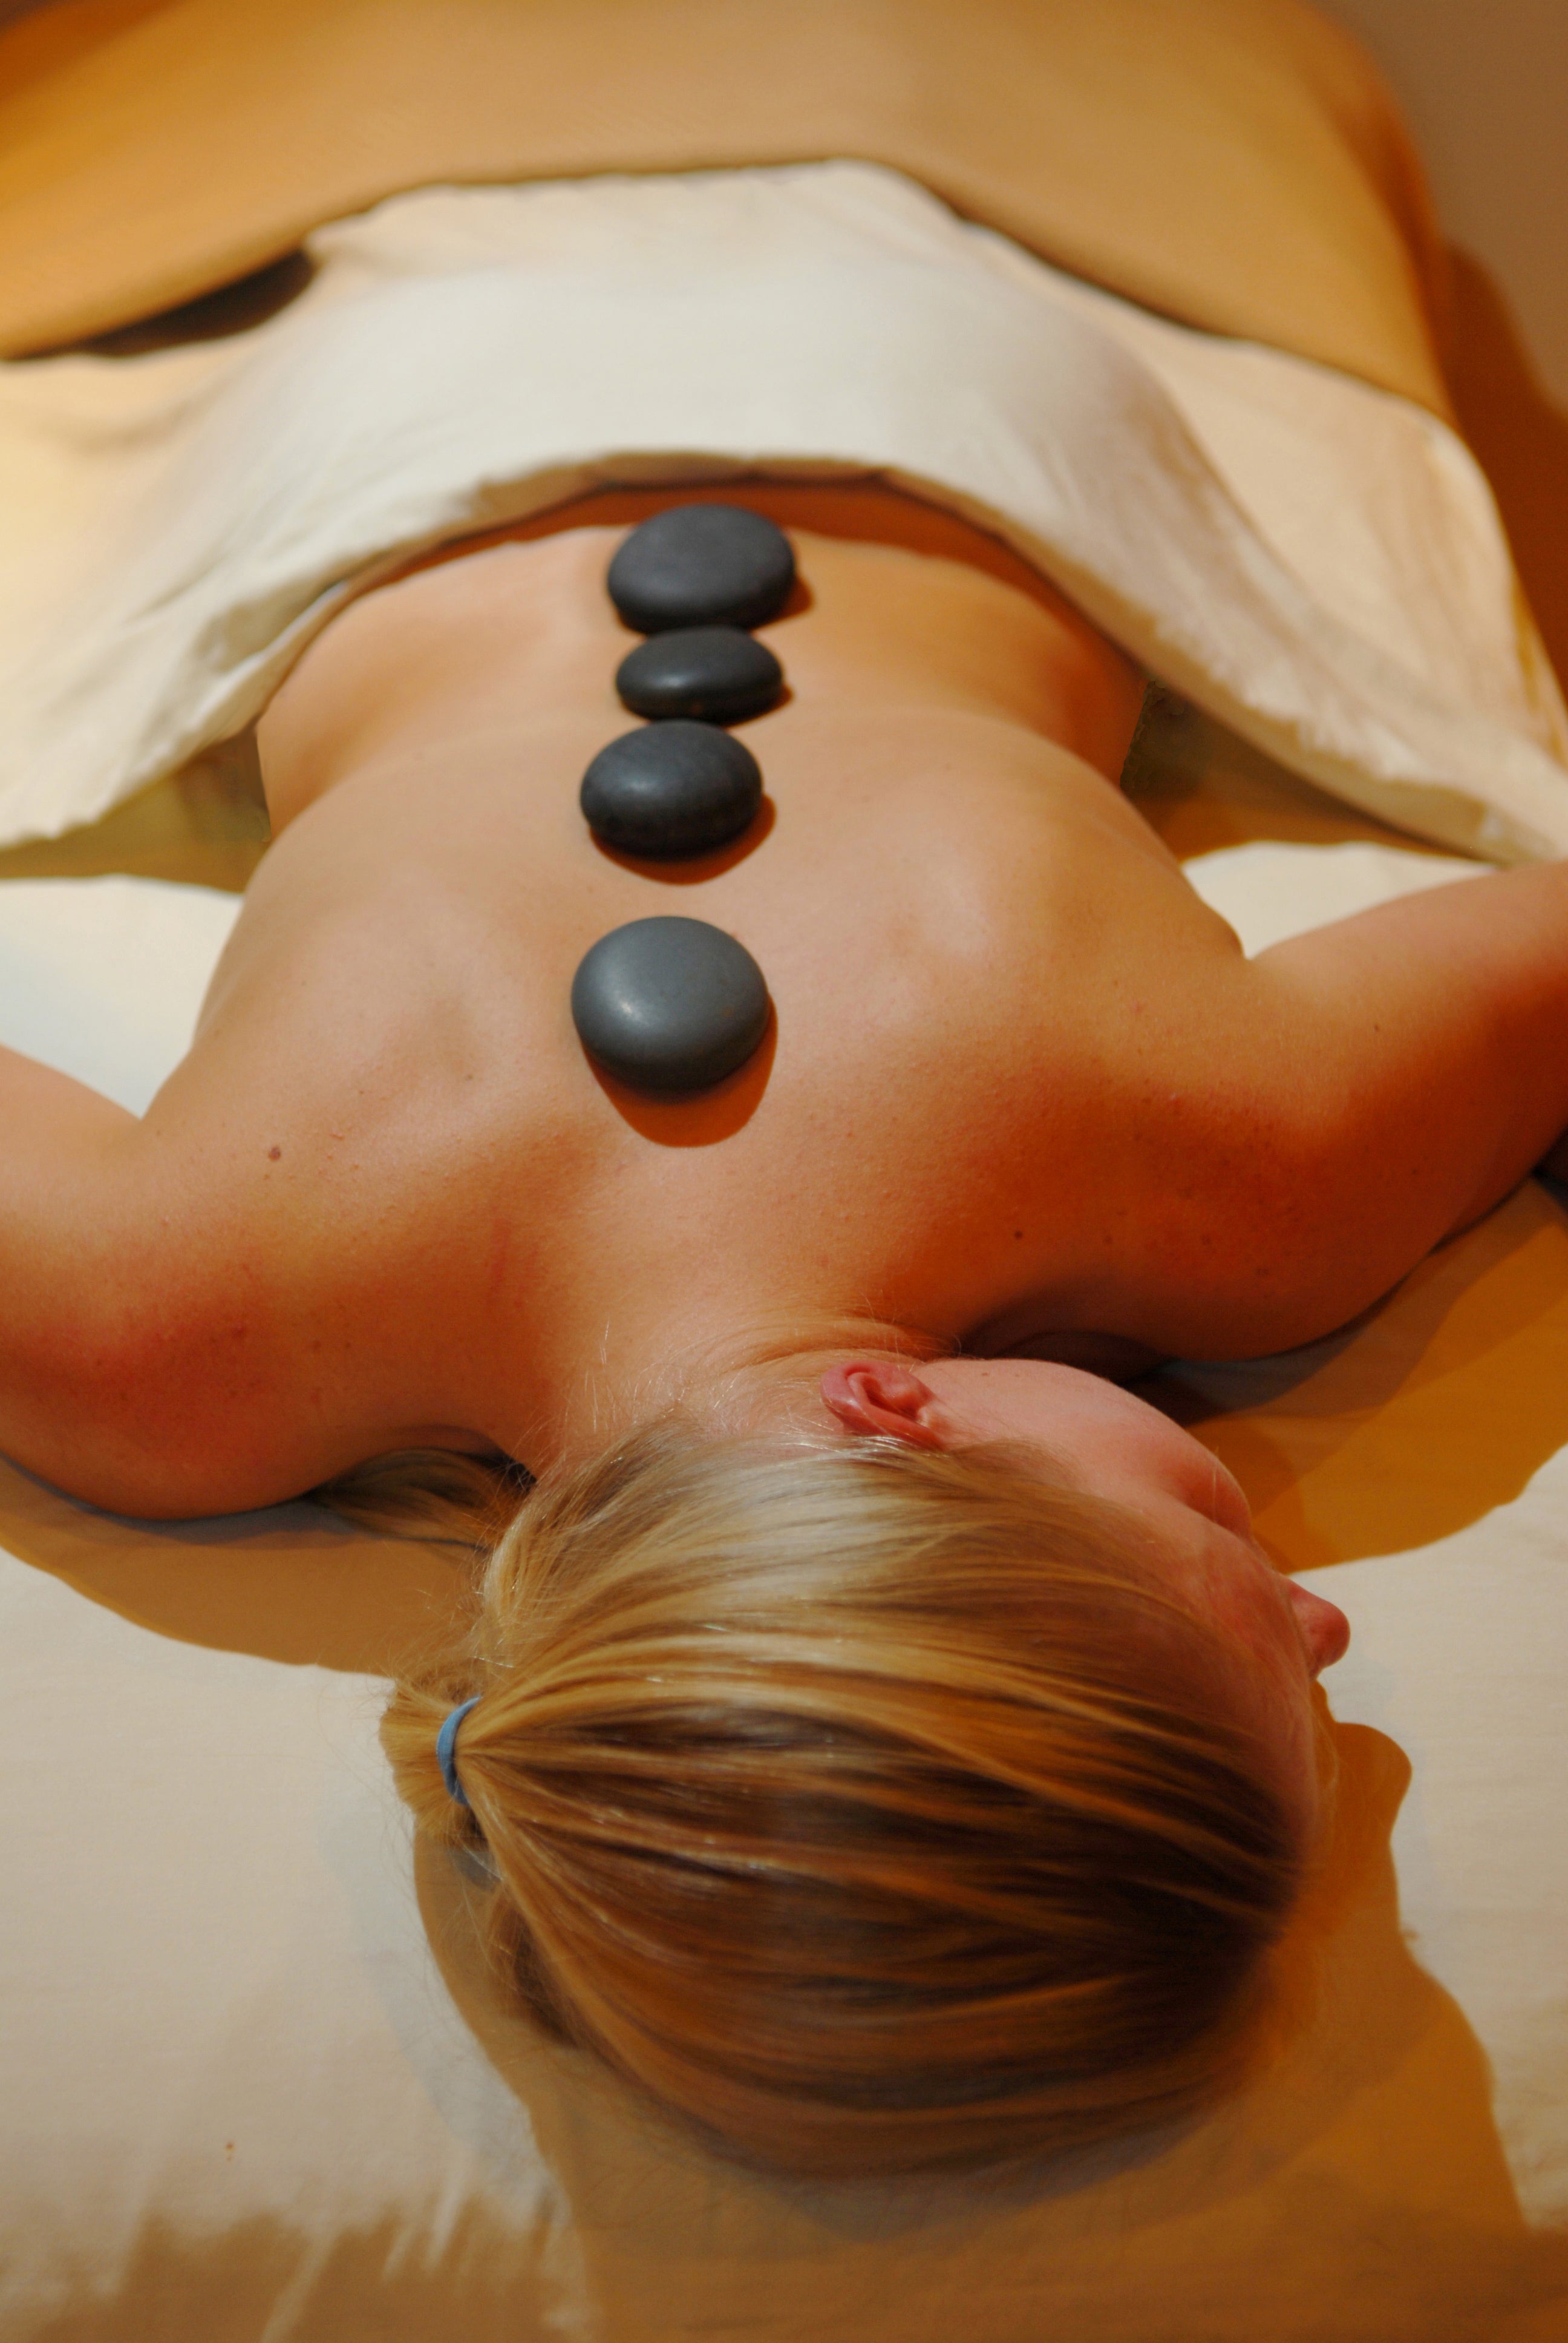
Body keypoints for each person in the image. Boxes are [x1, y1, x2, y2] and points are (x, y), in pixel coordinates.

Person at [7, 478, 1567, 2169]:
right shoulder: (164, 1347)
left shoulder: (1247, 1176)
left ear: (899, 1414)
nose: (1332, 1627)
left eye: (1228, 1549)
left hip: (932, 398)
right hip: (393, 455)